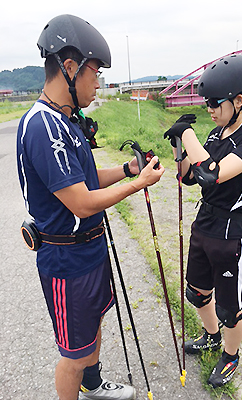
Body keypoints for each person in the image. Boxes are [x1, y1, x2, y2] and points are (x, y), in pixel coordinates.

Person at [17, 14, 164, 400]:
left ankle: (94, 386)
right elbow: (81, 203)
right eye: (94, 72)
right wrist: (138, 184)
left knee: (94, 326)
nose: (97, 82)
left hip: (91, 251)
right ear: (69, 68)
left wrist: (129, 169)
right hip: (67, 260)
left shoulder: (67, 121)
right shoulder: (42, 125)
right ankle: (80, 384)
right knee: (73, 354)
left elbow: (87, 180)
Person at [164, 54, 242, 388]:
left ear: (239, 101)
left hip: (234, 233)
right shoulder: (215, 134)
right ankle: (211, 336)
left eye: (214, 102)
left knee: (229, 307)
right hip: (205, 224)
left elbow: (214, 175)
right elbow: (190, 178)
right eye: (205, 102)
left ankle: (231, 355)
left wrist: (189, 136)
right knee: (197, 293)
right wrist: (179, 148)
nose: (209, 108)